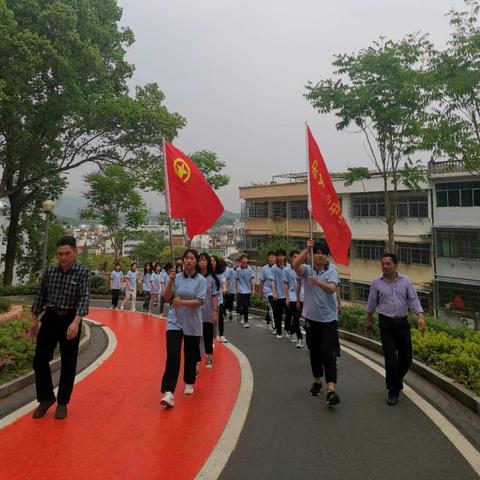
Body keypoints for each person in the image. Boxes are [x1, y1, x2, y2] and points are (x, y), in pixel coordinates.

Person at [30, 236, 91, 420]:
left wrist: (76, 321)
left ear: (75, 252)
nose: (63, 257)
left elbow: (84, 298)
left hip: (70, 318)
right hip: (50, 318)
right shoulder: (50, 271)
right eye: (59, 254)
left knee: (68, 362)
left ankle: (62, 402)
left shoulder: (82, 272)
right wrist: (34, 318)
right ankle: (46, 398)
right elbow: (41, 294)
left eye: (67, 254)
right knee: (39, 359)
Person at [366, 253, 425, 406]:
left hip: (402, 323)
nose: (385, 266)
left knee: (406, 357)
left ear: (395, 265)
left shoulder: (406, 281)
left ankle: (396, 379)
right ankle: (393, 390)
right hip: (386, 324)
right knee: (391, 358)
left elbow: (413, 299)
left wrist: (420, 316)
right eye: (383, 264)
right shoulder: (376, 283)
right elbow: (372, 301)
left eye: (388, 263)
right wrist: (369, 319)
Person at [292, 239, 341, 407]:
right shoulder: (306, 270)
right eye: (317, 253)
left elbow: (332, 289)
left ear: (327, 257)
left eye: (323, 253)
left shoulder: (333, 270)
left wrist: (318, 282)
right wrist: (306, 249)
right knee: (314, 352)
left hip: (329, 320)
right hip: (312, 319)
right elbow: (294, 265)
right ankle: (317, 381)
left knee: (329, 353)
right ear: (313, 256)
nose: (320, 256)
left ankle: (331, 390)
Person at [160, 249, 207, 408]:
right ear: (182, 260)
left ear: (196, 262)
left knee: (190, 355)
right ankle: (169, 392)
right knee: (173, 354)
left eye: (192, 258)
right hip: (175, 321)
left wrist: (182, 302)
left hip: (192, 323)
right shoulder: (176, 277)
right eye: (186, 258)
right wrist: (170, 282)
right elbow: (166, 297)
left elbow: (199, 301)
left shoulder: (201, 280)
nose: (188, 261)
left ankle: (189, 381)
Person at [198, 253, 219, 368]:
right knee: (197, 337)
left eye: (204, 260)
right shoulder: (195, 277)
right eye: (200, 260)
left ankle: (209, 357)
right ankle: (198, 358)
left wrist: (214, 311)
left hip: (207, 313)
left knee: (207, 335)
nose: (202, 262)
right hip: (196, 313)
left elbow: (215, 296)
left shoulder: (212, 279)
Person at [285, 250, 304, 348]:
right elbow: (286, 284)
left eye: (298, 256)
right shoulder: (287, 271)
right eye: (294, 256)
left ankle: (292, 332)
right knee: (296, 318)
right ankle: (300, 338)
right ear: (291, 258)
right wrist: (287, 298)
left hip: (303, 297)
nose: (296, 258)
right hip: (292, 298)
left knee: (297, 318)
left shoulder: (303, 270)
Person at [271, 249, 287, 339]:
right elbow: (272, 281)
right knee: (278, 314)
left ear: (284, 256)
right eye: (278, 256)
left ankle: (288, 329)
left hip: (288, 295)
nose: (279, 257)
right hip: (278, 295)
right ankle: (279, 332)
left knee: (289, 314)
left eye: (281, 255)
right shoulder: (274, 268)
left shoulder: (288, 267)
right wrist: (274, 293)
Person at [235, 254, 255, 328]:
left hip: (248, 290)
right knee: (242, 305)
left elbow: (252, 279)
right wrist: (236, 290)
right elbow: (236, 280)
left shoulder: (250, 269)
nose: (244, 260)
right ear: (241, 260)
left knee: (246, 306)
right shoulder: (238, 270)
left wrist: (253, 289)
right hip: (240, 291)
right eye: (243, 258)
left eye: (246, 258)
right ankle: (245, 321)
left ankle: (242, 317)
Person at [211, 255, 228, 342]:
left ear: (216, 262)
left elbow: (223, 282)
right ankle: (214, 333)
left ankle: (221, 335)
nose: (212, 262)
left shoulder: (220, 273)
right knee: (211, 318)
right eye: (211, 261)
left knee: (220, 316)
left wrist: (224, 288)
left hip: (219, 298)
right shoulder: (206, 273)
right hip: (209, 299)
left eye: (214, 261)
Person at [259, 251, 276, 331]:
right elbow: (261, 281)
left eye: (273, 257)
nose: (271, 259)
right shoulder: (264, 268)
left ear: (275, 258)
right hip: (267, 292)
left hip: (276, 292)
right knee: (272, 307)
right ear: (267, 258)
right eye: (270, 257)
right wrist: (261, 293)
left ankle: (268, 321)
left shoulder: (277, 268)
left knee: (272, 308)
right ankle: (274, 326)